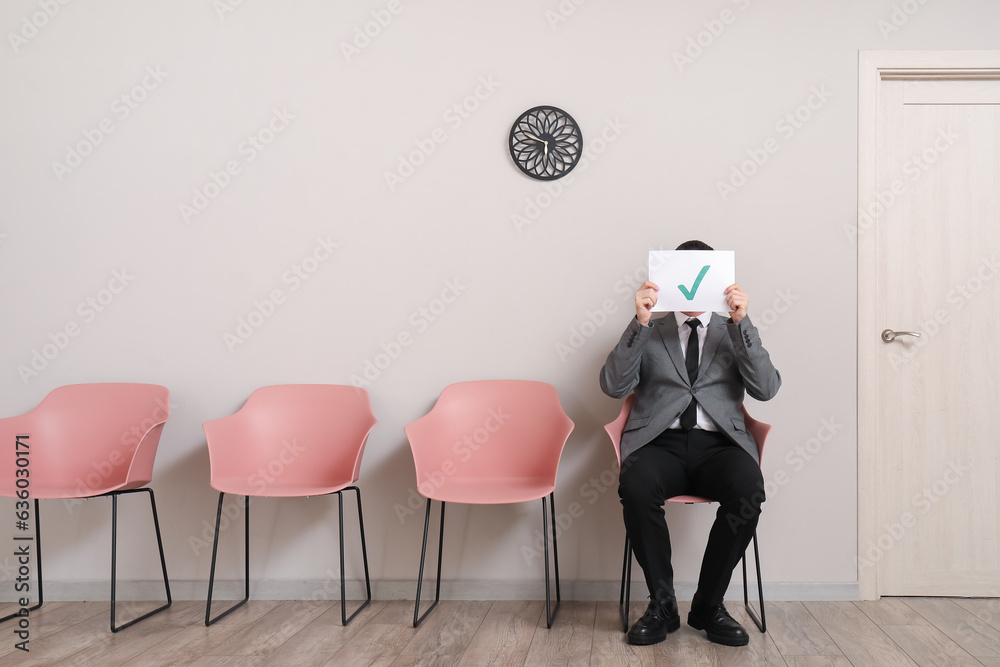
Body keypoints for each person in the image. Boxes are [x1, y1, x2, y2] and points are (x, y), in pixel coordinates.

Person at [599, 240, 781, 647]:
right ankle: (662, 605)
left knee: (749, 488)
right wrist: (639, 322)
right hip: (658, 444)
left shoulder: (733, 329)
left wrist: (742, 324)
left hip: (720, 446)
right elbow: (612, 386)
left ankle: (708, 605)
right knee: (636, 484)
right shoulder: (651, 328)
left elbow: (767, 389)